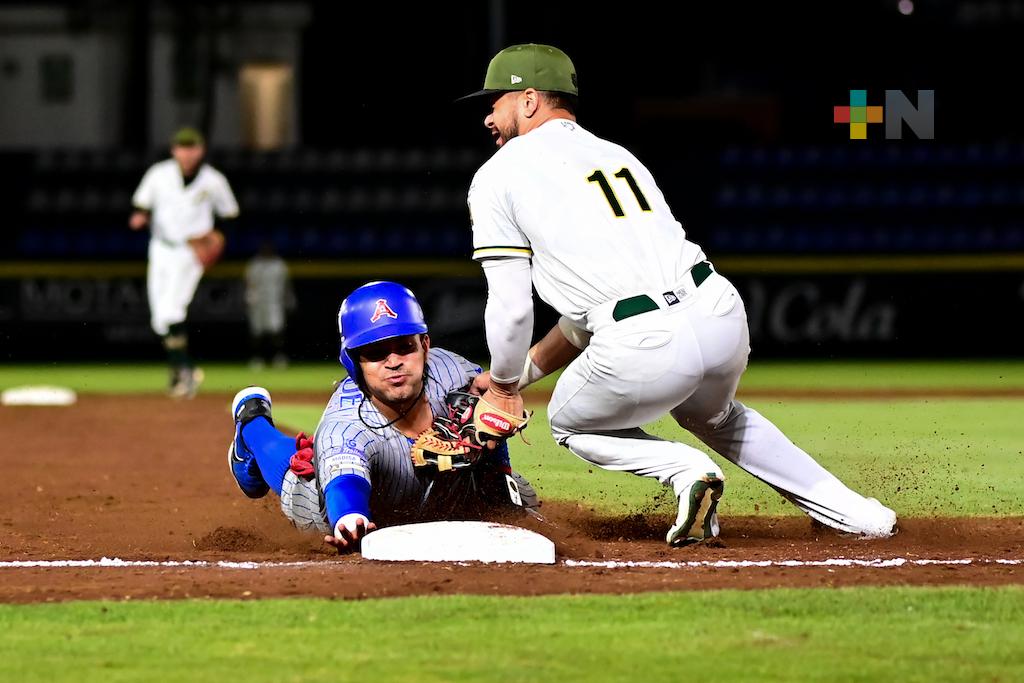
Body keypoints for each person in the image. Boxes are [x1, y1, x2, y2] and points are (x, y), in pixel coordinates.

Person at [460, 43, 897, 546]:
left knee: (568, 422)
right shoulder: (617, 155)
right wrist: (514, 375)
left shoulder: (498, 174)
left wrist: (504, 388)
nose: (488, 116)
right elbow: (585, 320)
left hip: (644, 342)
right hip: (718, 311)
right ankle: (860, 515)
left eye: (495, 101)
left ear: (529, 99)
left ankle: (686, 470)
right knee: (715, 416)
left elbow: (513, 307)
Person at [228, 281, 538, 552]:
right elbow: (345, 487)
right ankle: (251, 422)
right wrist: (350, 518)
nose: (393, 362)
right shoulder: (344, 428)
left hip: (445, 496)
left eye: (405, 347)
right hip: (339, 505)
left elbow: (491, 423)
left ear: (425, 346)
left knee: (520, 497)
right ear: (353, 362)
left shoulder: (455, 371)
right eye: (376, 353)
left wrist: (500, 474)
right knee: (298, 473)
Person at [130, 127, 238, 398]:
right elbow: (142, 204)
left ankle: (184, 373)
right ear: (174, 150)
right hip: (160, 248)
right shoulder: (158, 174)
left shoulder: (213, 180)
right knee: (159, 319)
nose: (187, 153)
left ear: (200, 151)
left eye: (192, 148)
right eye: (182, 148)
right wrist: (141, 216)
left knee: (172, 312)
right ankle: (181, 370)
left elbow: (230, 214)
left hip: (192, 252)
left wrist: (217, 237)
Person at [244, 240, 295, 369]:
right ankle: (257, 358)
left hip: (274, 302)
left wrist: (289, 299)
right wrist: (248, 297)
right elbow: (249, 282)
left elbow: (286, 283)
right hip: (258, 302)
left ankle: (279, 357)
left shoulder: (279, 264)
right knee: (257, 332)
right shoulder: (254, 264)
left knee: (276, 331)